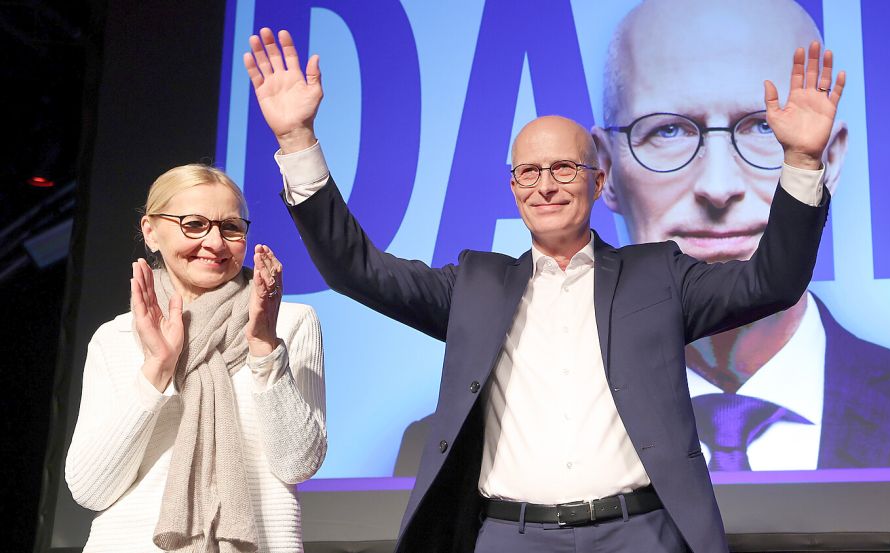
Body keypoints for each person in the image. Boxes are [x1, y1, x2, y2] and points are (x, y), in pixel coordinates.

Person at [245, 24, 841, 553]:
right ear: (513, 187)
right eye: (529, 172)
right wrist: (298, 142)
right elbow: (356, 270)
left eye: (564, 169)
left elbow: (774, 280)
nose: (546, 185)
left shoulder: (658, 276)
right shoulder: (475, 286)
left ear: (598, 179)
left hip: (640, 533)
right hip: (511, 535)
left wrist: (801, 161)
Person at [593, 0, 890, 471]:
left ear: (828, 162)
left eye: (764, 126)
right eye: (669, 130)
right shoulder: (548, 424)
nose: (719, 188)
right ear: (607, 170)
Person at [65, 164, 326, 552]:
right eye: (194, 224)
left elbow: (297, 463)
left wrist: (264, 348)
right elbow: (91, 489)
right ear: (151, 232)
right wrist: (157, 369)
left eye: (231, 227)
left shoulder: (288, 322)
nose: (216, 243)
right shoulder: (116, 338)